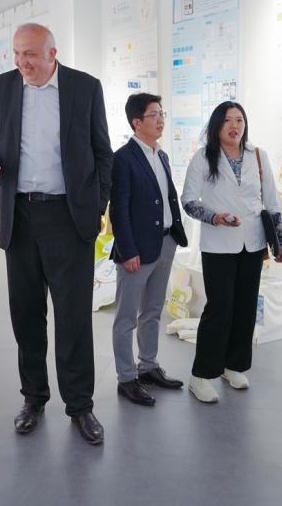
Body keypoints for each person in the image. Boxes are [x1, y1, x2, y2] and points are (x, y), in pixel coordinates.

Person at [0, 23, 112, 445]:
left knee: (74, 317)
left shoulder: (84, 88)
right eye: (17, 54)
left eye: (31, 54)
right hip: (20, 217)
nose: (23, 63)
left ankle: (80, 405)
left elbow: (102, 152)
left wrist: (96, 205)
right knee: (26, 314)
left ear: (52, 53)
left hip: (68, 217)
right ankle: (33, 398)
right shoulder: (1, 88)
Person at [180, 101, 282, 403]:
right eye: (228, 120)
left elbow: (273, 203)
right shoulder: (204, 157)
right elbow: (188, 201)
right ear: (217, 125)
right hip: (218, 244)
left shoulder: (258, 156)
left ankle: (234, 366)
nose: (235, 126)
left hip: (253, 243)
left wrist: (281, 240)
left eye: (240, 120)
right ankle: (201, 375)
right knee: (219, 308)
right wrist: (215, 217)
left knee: (245, 307)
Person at [109, 93, 187, 406]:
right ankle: (126, 378)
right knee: (126, 317)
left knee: (153, 311)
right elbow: (119, 209)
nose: (161, 120)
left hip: (165, 243)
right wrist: (127, 250)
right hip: (137, 250)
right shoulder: (123, 158)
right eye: (154, 115)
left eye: (162, 114)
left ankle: (149, 366)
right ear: (136, 122)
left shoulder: (161, 155)